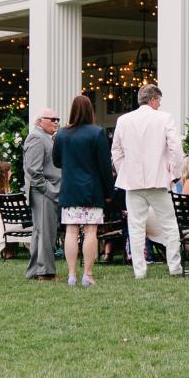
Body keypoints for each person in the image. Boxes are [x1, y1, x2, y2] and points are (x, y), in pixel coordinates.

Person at [111, 83, 184, 278]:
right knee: (169, 224)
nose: (159, 105)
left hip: (132, 183)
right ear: (152, 99)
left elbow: (116, 151)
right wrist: (174, 172)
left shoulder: (123, 120)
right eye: (158, 101)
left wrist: (123, 172)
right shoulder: (164, 118)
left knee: (135, 227)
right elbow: (176, 148)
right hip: (158, 180)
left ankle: (139, 271)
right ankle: (175, 267)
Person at [53, 94, 110, 287]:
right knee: (91, 231)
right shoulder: (97, 133)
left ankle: (71, 275)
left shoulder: (61, 134)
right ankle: (87, 274)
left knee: (71, 231)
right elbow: (104, 166)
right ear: (90, 110)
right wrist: (109, 192)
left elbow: (56, 161)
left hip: (69, 188)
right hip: (92, 189)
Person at [23, 110, 61, 282]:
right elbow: (33, 169)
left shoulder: (44, 137)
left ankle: (35, 271)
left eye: (57, 119)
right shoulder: (37, 138)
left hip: (44, 191)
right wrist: (49, 190)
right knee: (46, 232)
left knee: (41, 232)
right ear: (39, 121)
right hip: (43, 192)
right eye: (52, 119)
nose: (56, 122)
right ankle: (45, 272)